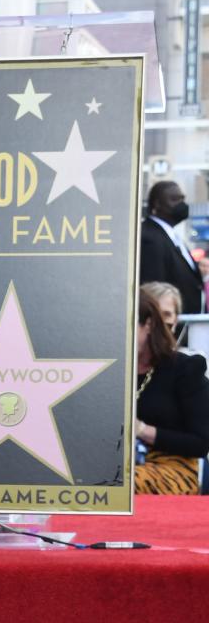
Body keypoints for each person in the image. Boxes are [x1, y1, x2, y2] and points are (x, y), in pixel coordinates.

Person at [135, 287, 209, 494]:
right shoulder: (111, 370)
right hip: (114, 464)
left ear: (148, 325)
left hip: (171, 467)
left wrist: (141, 430)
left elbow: (201, 443)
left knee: (116, 486)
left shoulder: (185, 369)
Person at [139, 181, 203, 316]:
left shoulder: (170, 234)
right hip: (168, 325)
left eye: (182, 199)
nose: (181, 204)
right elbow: (154, 286)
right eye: (174, 199)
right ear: (157, 204)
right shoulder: (149, 237)